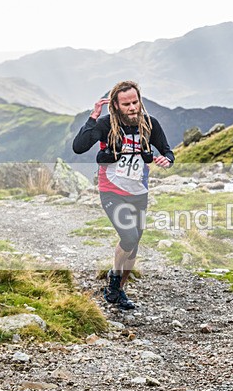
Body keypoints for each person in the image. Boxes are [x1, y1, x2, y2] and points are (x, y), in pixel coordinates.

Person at [72, 81, 174, 310]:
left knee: (134, 243)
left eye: (135, 102)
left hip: (139, 191)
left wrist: (167, 160)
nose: (132, 108)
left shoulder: (149, 123)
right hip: (112, 191)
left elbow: (167, 150)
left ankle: (118, 290)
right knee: (128, 237)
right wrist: (92, 117)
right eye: (126, 104)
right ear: (116, 106)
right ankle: (114, 281)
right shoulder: (105, 124)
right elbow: (78, 147)